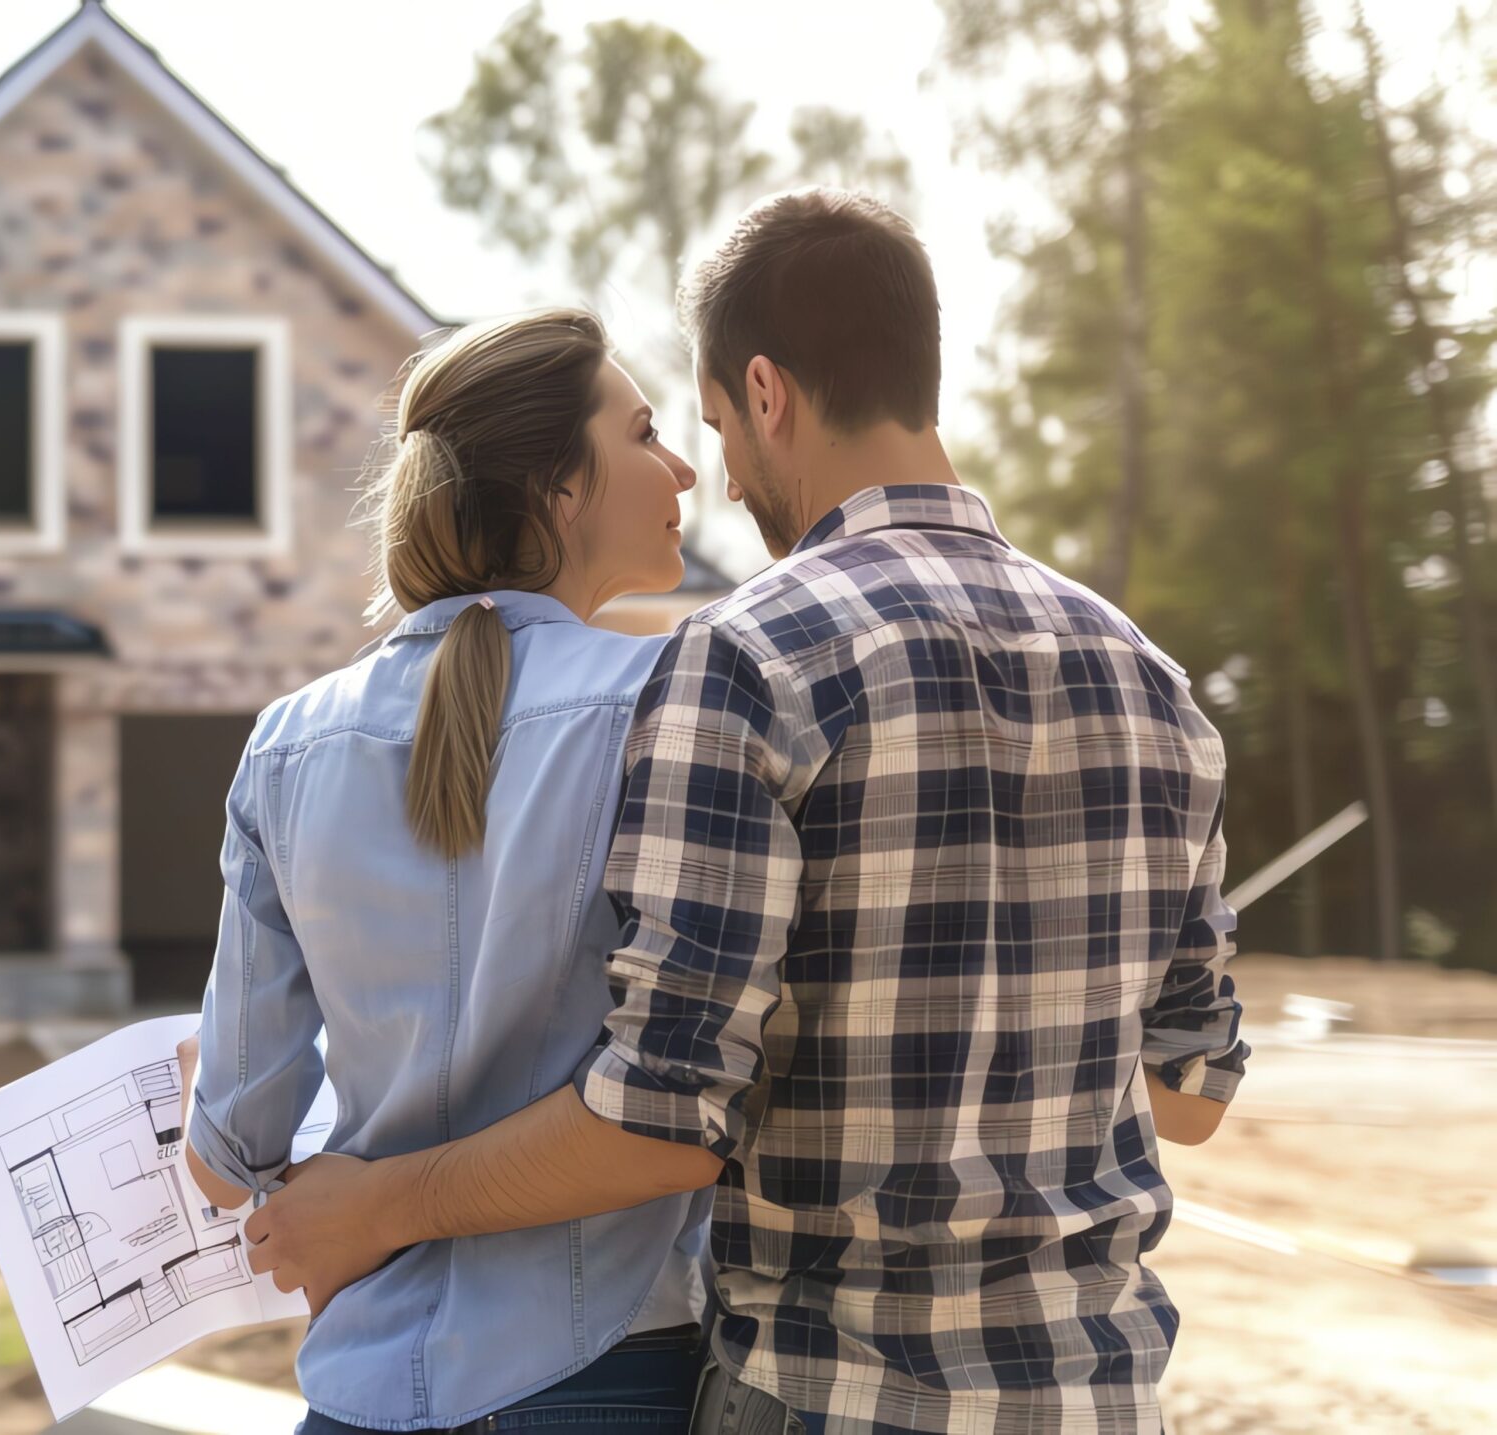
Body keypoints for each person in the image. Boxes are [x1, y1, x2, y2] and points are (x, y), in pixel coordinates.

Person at [235, 190, 1252, 1435]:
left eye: (712, 423)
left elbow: (664, 1110)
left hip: (828, 1393)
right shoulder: (1148, 678)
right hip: (1093, 1395)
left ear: (767, 394)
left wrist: (380, 1200)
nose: (714, 471)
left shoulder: (750, 660)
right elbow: (1193, 1094)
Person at [181, 308, 724, 1433]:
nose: (680, 466)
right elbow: (695, 1099)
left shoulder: (284, 744)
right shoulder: (672, 706)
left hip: (360, 1395)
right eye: (641, 434)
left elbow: (232, 1157)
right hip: (611, 1380)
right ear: (557, 490)